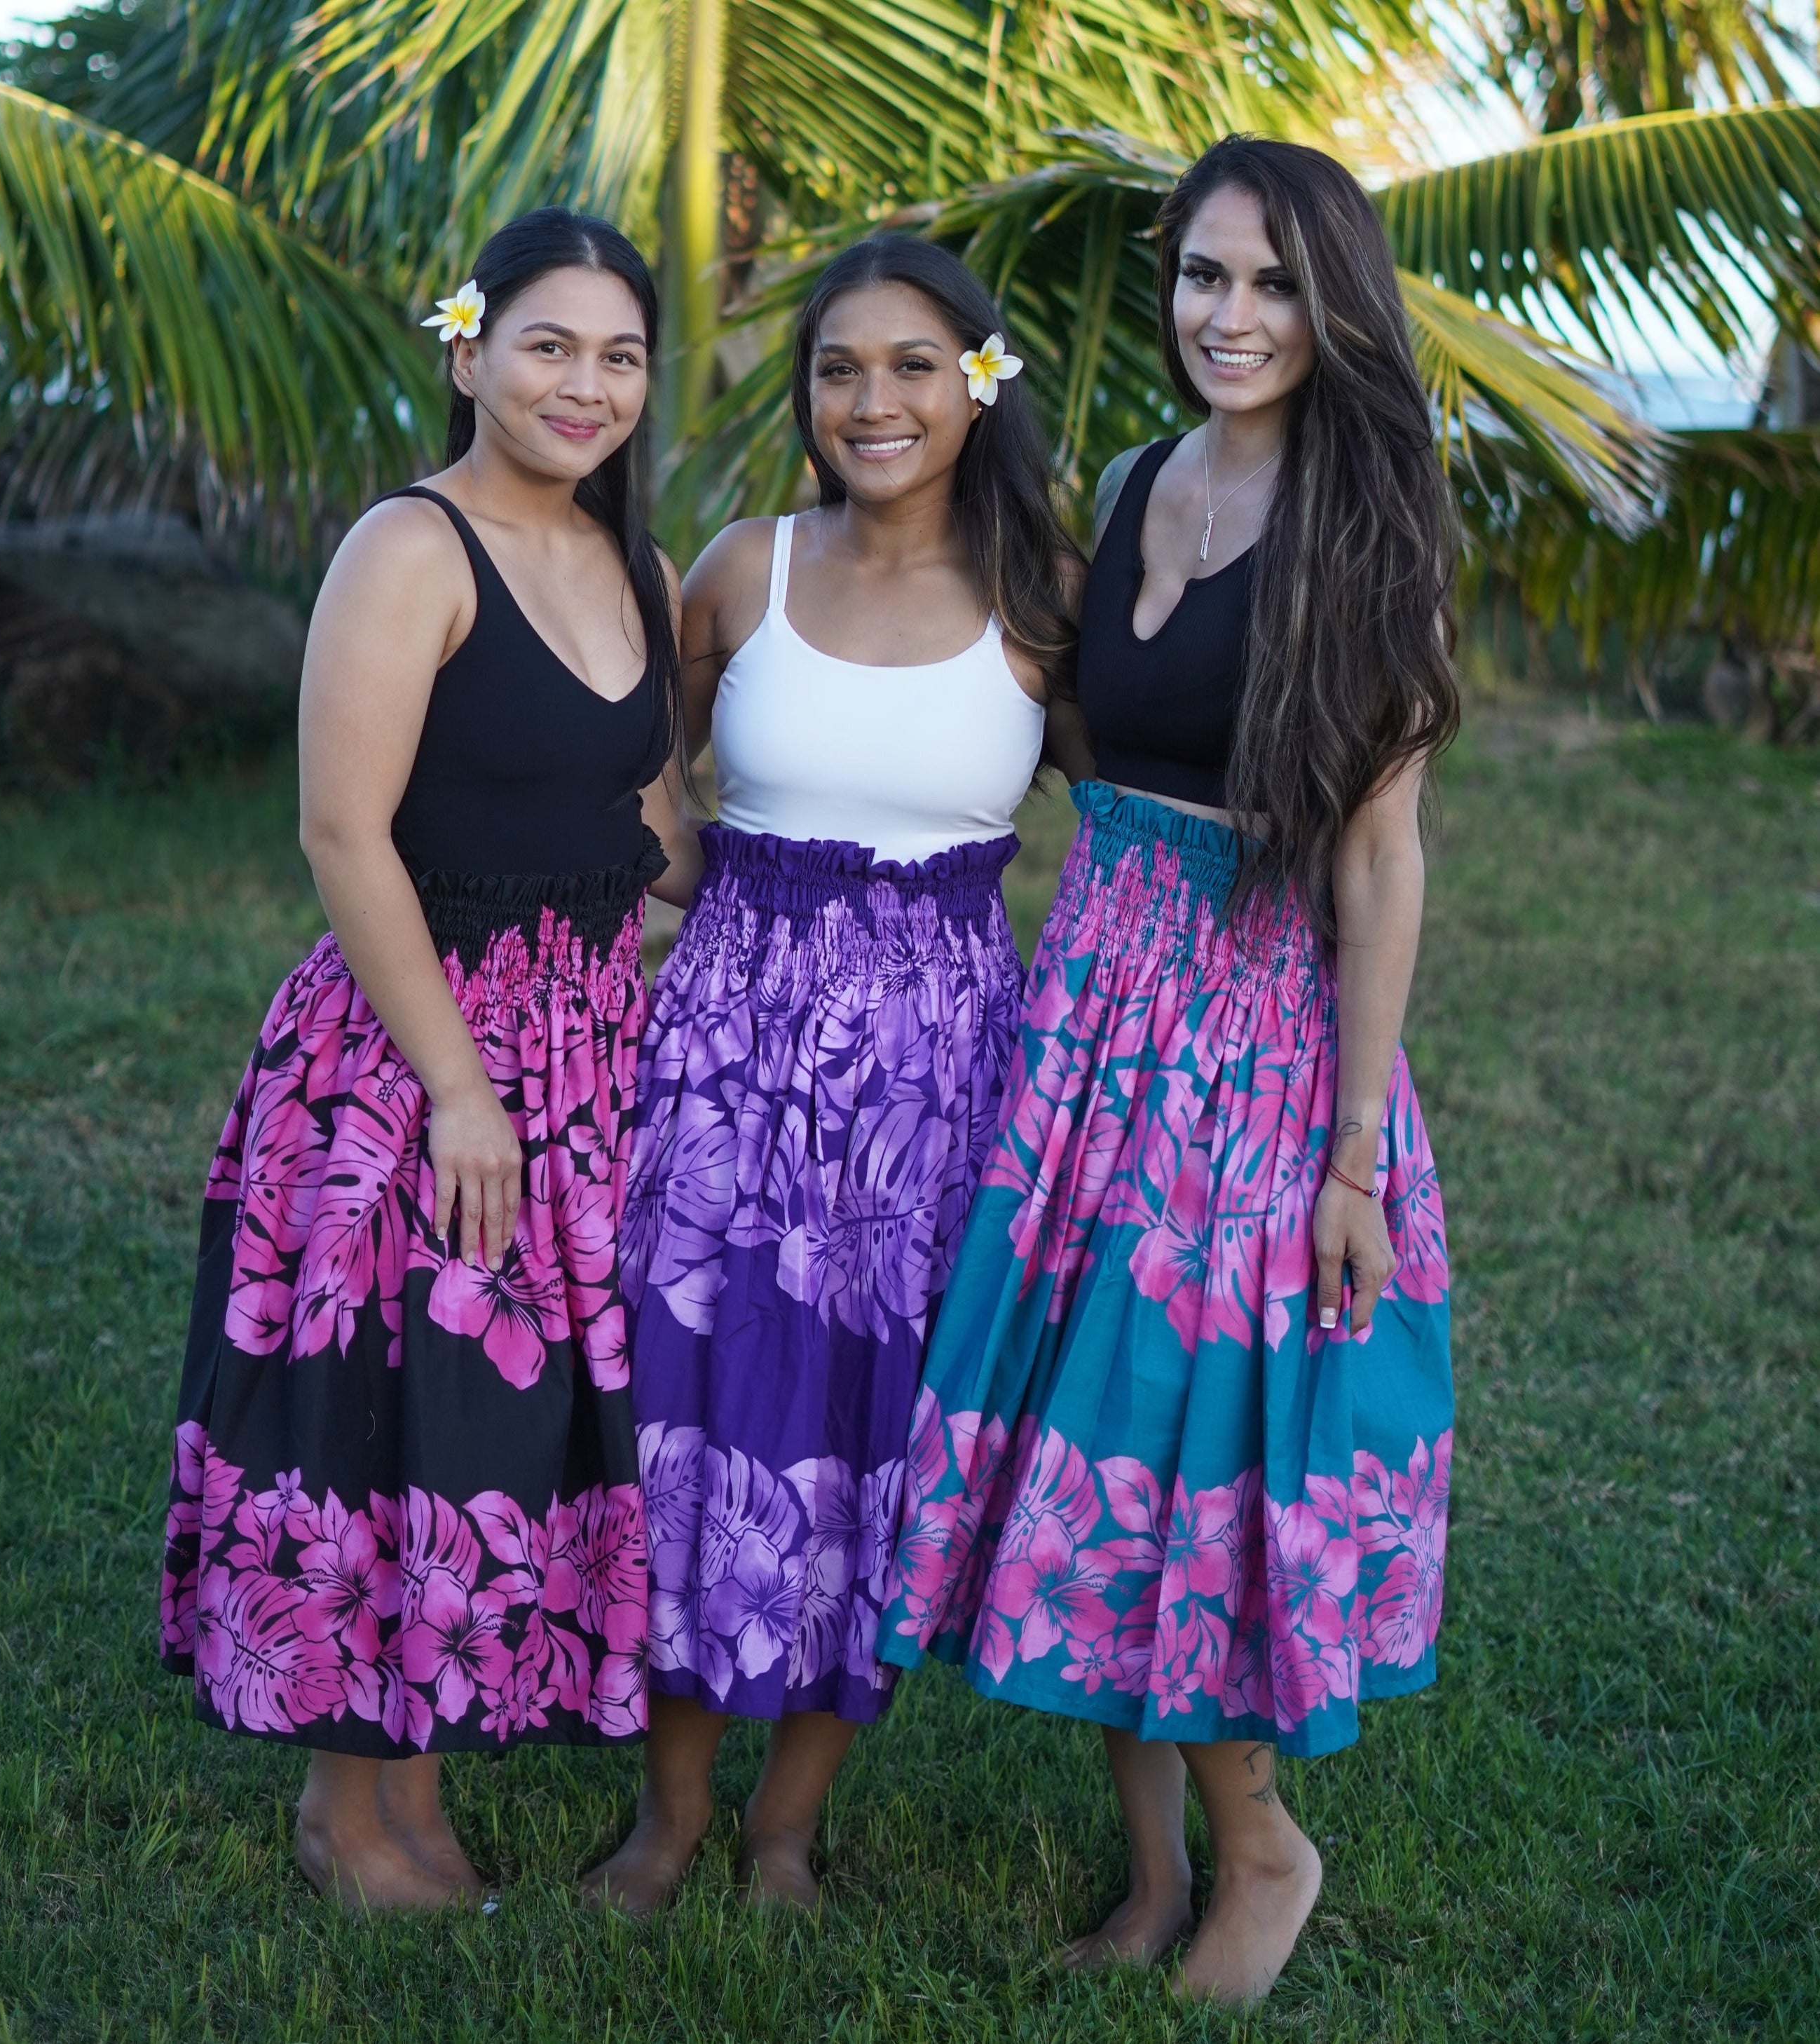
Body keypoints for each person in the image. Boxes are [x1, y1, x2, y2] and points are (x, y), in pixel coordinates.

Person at [873, 137, 1460, 2003]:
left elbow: (1377, 858)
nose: (1229, 316)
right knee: (1083, 1434)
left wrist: (1351, 1152)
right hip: (1087, 1017)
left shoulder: (1364, 521)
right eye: (1204, 277)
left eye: (1273, 284)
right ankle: (1144, 1874)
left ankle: (1261, 1844)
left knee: (1184, 1443)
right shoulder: (1136, 482)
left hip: (1255, 1040)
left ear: (1332, 304)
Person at [157, 208, 698, 1912]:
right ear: (467, 352)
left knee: (495, 1421)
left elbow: (649, 821)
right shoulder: (411, 546)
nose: (583, 385)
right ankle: (350, 1808)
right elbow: (342, 829)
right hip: (417, 1054)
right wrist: (462, 1088)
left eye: (619, 355)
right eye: (547, 345)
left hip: (584, 1047)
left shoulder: (643, 568)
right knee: (386, 1405)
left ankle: (418, 1781)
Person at [580, 236, 1089, 1915]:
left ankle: (786, 1828)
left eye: (913, 367)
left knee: (874, 1437)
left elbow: (1152, 802)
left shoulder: (1042, 604)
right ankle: (667, 1819)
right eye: (839, 369)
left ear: (979, 382)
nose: (872, 402)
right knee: (689, 1416)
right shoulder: (741, 566)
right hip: (723, 1047)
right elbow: (638, 760)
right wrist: (666, 867)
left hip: (936, 1073)